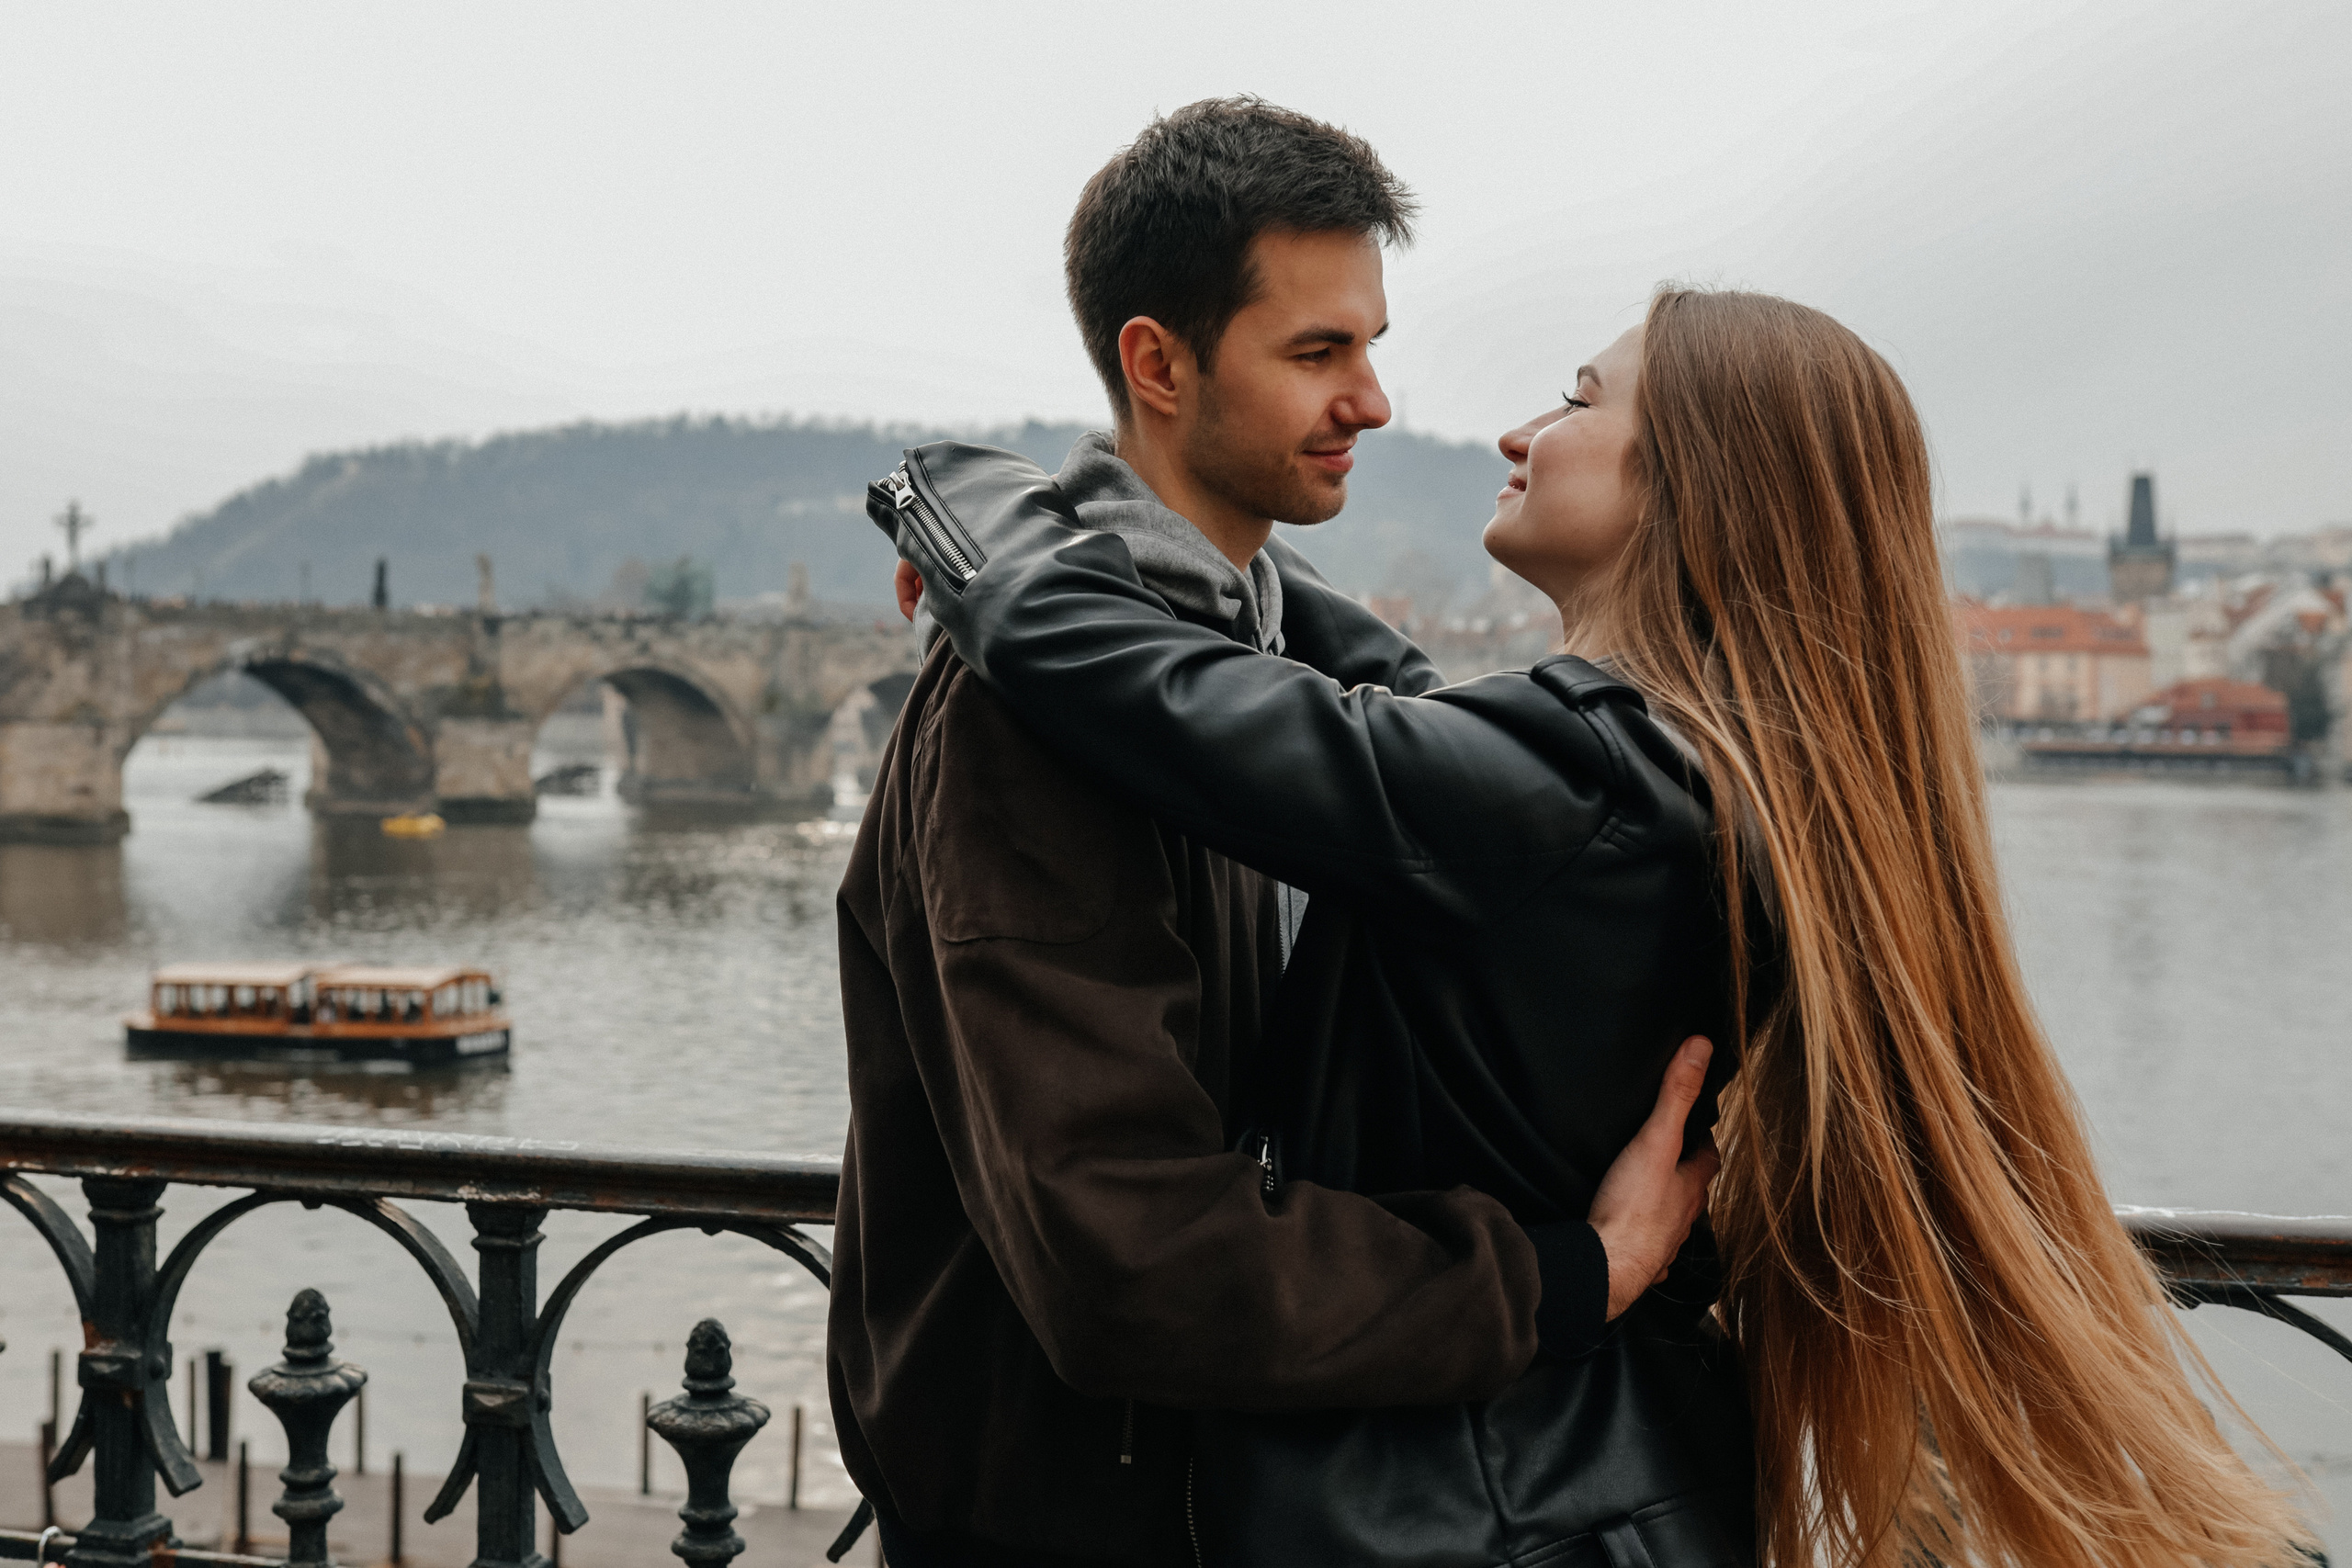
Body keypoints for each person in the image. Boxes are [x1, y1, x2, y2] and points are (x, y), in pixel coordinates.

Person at [886, 288, 2312, 1567]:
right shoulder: (1686, 771)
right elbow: (1377, 684)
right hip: (1603, 1481)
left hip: (1484, 1515)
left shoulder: (1573, 785)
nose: (1520, 433)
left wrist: (959, 493)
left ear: (1695, 486)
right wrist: (1150, 520)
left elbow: (1130, 679)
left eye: (1576, 400)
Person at [828, 100, 1719, 1568]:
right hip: (1087, 1522)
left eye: (1369, 345)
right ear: (1158, 364)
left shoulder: (1241, 668)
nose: (1374, 400)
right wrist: (1558, 1280)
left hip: (1234, 1498)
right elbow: (1125, 1252)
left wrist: (1003, 528)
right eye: (1317, 354)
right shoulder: (1033, 719)